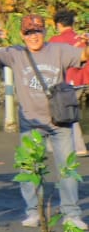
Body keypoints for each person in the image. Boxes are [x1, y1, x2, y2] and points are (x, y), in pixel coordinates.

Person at [0, 16, 89, 229]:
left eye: (38, 31)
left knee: (66, 169)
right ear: (23, 35)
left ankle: (72, 214)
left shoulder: (59, 50)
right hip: (31, 122)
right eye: (29, 33)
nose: (34, 36)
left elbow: (83, 56)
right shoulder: (15, 53)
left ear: (45, 32)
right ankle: (33, 212)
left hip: (60, 121)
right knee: (30, 168)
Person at [48, 9, 89, 156]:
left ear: (58, 24)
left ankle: (74, 147)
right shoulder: (81, 39)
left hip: (65, 82)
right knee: (69, 111)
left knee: (57, 111)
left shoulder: (55, 41)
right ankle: (76, 146)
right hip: (82, 80)